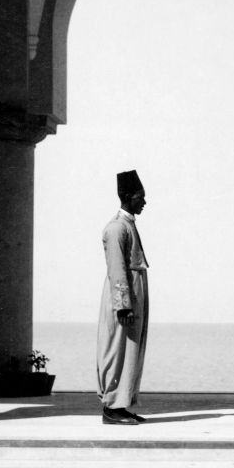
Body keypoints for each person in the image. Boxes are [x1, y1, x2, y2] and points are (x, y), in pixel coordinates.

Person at [96, 170, 149, 425]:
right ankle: (112, 406)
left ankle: (122, 403)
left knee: (130, 349)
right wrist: (123, 306)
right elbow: (117, 268)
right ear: (128, 197)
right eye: (141, 197)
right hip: (124, 297)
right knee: (117, 349)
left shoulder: (127, 225)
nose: (144, 202)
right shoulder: (117, 228)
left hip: (132, 294)